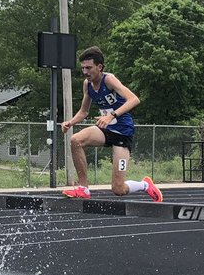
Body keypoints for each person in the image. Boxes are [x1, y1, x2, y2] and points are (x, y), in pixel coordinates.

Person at [60, 46, 162, 202]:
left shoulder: (109, 79)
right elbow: (84, 111)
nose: (85, 72)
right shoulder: (87, 84)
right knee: (76, 140)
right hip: (105, 129)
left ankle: (145, 185)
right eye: (83, 68)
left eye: (89, 68)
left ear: (99, 67)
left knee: (118, 189)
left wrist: (111, 116)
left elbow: (134, 99)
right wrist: (70, 122)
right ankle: (83, 188)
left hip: (122, 132)